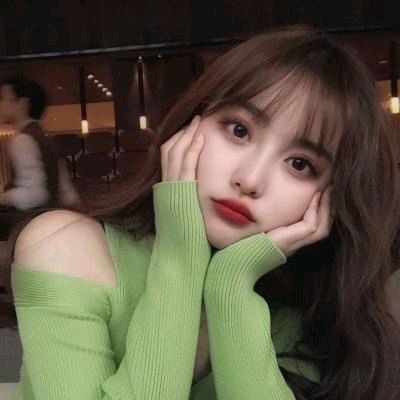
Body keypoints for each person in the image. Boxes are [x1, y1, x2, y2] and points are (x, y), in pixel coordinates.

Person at [5, 25, 400, 400]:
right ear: (190, 124)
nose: (250, 179)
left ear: (331, 198)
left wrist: (231, 285)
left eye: (300, 164)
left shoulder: (308, 317)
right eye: (239, 130)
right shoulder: (64, 246)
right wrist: (180, 258)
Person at [0, 76, 80, 212]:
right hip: (53, 215)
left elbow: (35, 194)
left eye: (3, 98)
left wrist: (3, 198)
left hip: (35, 218)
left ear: (23, 103)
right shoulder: (43, 137)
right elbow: (67, 192)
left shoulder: (22, 139)